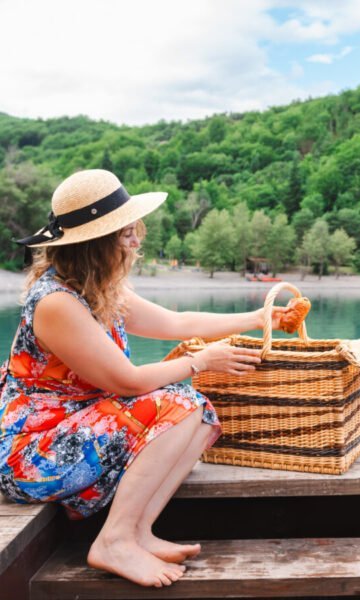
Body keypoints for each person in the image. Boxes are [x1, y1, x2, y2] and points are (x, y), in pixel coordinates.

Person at [0, 169, 288, 588]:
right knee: (180, 402)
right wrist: (202, 362)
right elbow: (129, 382)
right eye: (126, 233)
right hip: (36, 451)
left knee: (198, 412)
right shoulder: (56, 302)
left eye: (134, 229)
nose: (137, 240)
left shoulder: (101, 288)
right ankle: (113, 541)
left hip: (77, 427)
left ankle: (137, 533)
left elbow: (178, 321)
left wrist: (261, 317)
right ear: (95, 244)